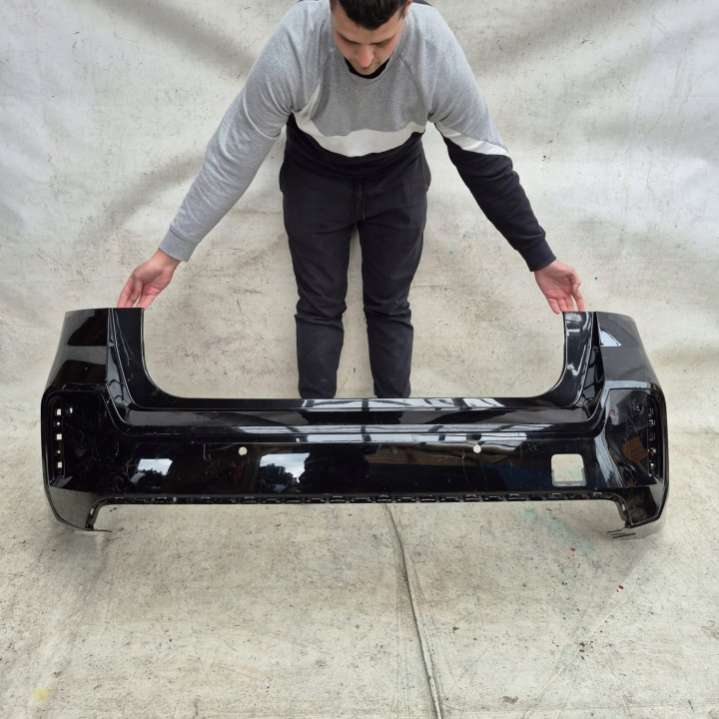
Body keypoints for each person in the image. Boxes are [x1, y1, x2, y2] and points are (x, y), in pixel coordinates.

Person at [117, 0, 586, 399]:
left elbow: (484, 163)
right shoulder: (297, 41)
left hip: (397, 179)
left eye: (382, 42)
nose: (365, 59)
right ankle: (316, 435)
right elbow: (233, 156)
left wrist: (539, 257)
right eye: (347, 40)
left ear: (406, 11)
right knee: (319, 307)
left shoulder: (433, 47)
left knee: (390, 306)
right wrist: (170, 253)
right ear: (329, 8)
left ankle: (393, 433)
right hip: (315, 178)